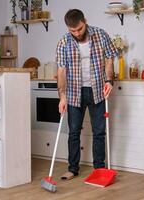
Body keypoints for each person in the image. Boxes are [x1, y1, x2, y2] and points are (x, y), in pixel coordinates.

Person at [56, 9, 118, 180]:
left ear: (85, 21)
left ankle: (99, 169)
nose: (76, 33)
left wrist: (109, 80)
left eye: (80, 29)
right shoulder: (63, 42)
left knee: (99, 132)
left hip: (97, 89)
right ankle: (72, 169)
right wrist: (62, 96)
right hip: (74, 92)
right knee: (74, 132)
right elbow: (61, 71)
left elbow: (110, 58)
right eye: (72, 31)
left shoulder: (100, 34)